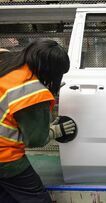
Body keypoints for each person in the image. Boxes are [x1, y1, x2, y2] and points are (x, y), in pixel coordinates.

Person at [0, 39, 76, 203]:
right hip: (4, 159)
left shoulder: (5, 58)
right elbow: (35, 139)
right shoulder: (31, 93)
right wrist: (55, 131)